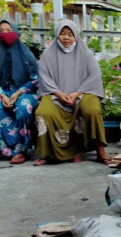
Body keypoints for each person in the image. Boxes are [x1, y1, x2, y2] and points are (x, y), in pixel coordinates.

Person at [34, 20, 110, 166]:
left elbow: (94, 75)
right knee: (42, 112)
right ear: (57, 35)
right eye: (62, 34)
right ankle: (46, 154)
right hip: (55, 95)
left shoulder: (85, 53)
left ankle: (100, 152)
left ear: (75, 36)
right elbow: (44, 76)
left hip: (83, 94)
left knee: (93, 109)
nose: (66, 38)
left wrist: (76, 93)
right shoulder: (48, 54)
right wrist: (58, 94)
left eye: (70, 34)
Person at [0, 19, 39, 164]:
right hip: (3, 92)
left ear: (15, 32)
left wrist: (18, 93)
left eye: (8, 30)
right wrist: (3, 95)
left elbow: (35, 80)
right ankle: (4, 150)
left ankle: (22, 151)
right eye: (1, 31)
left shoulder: (26, 54)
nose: (4, 33)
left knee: (23, 107)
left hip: (25, 93)